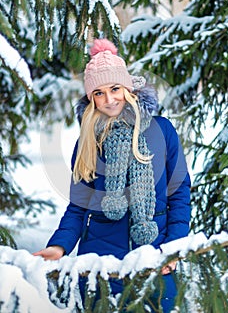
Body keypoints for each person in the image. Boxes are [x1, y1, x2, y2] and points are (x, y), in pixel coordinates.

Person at [33, 38, 191, 312]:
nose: (109, 100)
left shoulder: (162, 131)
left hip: (154, 255)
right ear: (91, 98)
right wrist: (59, 246)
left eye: (115, 89)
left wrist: (173, 247)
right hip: (100, 260)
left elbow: (179, 194)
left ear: (128, 88)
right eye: (99, 93)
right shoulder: (88, 141)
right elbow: (78, 205)